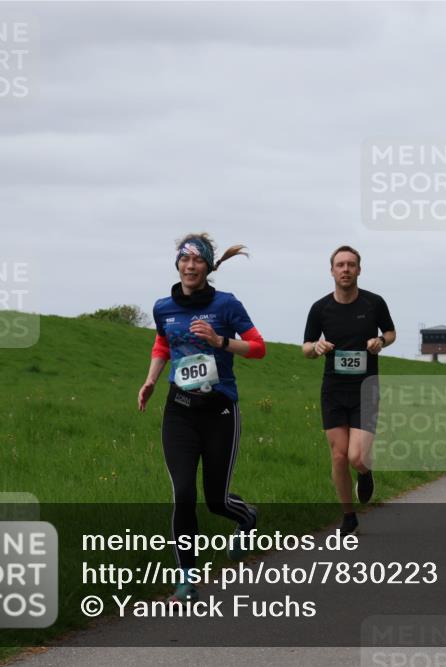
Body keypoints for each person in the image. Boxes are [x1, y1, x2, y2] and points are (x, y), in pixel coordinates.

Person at [138, 234, 266, 603]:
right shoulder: (164, 307)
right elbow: (163, 343)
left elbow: (258, 348)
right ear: (177, 264)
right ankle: (186, 577)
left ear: (209, 267)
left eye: (197, 261)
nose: (190, 266)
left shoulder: (226, 305)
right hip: (179, 410)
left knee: (215, 500)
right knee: (182, 494)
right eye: (184, 260)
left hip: (220, 411)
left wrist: (219, 342)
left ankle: (246, 516)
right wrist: (150, 380)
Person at [303, 246, 396, 535]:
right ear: (332, 271)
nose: (345, 269)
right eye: (340, 265)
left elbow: (391, 333)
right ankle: (348, 515)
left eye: (351, 265)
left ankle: (365, 473)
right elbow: (306, 346)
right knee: (339, 456)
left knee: (356, 457)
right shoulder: (320, 308)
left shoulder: (374, 303)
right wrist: (316, 348)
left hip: (365, 389)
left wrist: (380, 341)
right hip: (333, 389)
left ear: (359, 270)